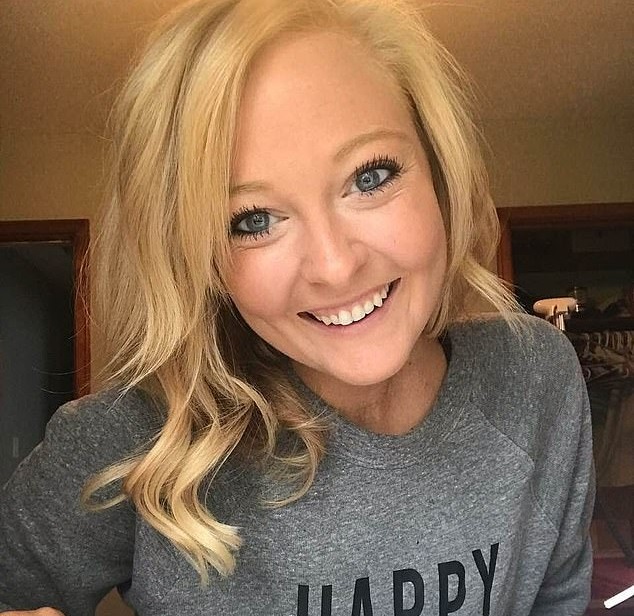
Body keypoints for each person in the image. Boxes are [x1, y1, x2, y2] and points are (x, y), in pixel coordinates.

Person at [0, 0, 595, 614]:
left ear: (440, 172)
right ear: (197, 257)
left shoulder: (534, 378)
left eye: (370, 177)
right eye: (253, 219)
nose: (334, 266)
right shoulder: (134, 438)